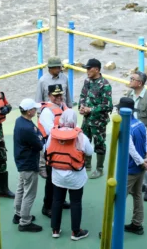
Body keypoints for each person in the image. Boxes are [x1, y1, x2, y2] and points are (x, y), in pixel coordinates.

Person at [99, 98, 147, 240]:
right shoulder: (140, 124)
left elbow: (131, 150)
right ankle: (137, 224)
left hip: (130, 169)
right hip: (141, 168)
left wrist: (142, 163)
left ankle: (111, 229)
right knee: (137, 195)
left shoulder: (126, 128)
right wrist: (146, 158)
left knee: (117, 199)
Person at [46, 109, 93, 241]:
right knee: (76, 202)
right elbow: (90, 152)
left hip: (57, 176)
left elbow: (46, 149)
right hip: (75, 177)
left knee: (57, 201)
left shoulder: (53, 134)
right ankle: (75, 232)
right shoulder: (80, 136)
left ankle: (55, 229)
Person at [35, 56, 73, 178]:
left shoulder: (64, 78)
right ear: (50, 68)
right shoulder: (42, 80)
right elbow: (38, 99)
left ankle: (60, 160)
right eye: (57, 67)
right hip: (48, 114)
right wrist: (39, 116)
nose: (60, 69)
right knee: (45, 139)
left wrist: (70, 109)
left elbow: (67, 95)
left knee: (63, 137)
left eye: (60, 66)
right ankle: (42, 166)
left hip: (62, 112)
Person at [126, 70, 147, 201]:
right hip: (132, 131)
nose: (129, 80)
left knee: (143, 156)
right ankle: (141, 182)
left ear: (139, 83)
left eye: (132, 79)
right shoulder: (130, 94)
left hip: (144, 132)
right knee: (136, 156)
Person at [13, 98, 44, 232]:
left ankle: (18, 214)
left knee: (21, 188)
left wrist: (39, 136)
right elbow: (39, 143)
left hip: (21, 162)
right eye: (34, 109)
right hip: (29, 163)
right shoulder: (27, 128)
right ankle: (25, 222)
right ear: (30, 111)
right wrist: (39, 138)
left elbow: (38, 134)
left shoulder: (20, 121)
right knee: (29, 193)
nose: (36, 110)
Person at [78, 58, 113, 179]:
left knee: (99, 143)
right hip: (86, 119)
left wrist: (91, 110)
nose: (87, 71)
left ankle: (99, 168)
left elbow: (108, 106)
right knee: (84, 141)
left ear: (97, 69)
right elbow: (83, 95)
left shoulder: (105, 84)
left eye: (89, 68)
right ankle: (86, 164)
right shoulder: (87, 81)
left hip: (99, 121)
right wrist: (81, 107)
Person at [39, 84, 69, 218]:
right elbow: (52, 131)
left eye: (60, 94)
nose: (59, 97)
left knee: (64, 176)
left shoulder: (64, 107)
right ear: (49, 96)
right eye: (56, 95)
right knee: (51, 179)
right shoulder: (47, 112)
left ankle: (60, 201)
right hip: (52, 150)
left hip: (65, 148)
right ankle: (47, 206)